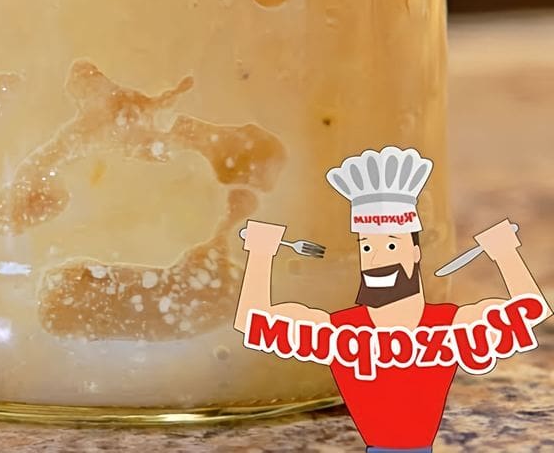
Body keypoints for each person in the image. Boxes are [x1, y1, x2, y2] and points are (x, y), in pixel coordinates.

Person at [234, 146, 546, 452]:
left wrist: (506, 254)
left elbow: (530, 311)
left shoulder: (450, 325)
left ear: (415, 253)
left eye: (392, 246)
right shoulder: (339, 330)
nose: (377, 259)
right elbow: (253, 322)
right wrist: (260, 254)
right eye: (367, 247)